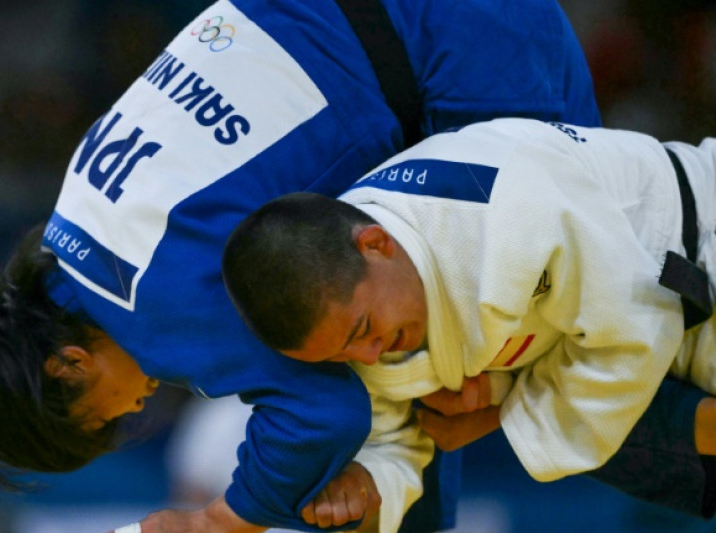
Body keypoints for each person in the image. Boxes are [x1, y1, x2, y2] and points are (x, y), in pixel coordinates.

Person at [0, 0, 703, 531]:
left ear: (67, 363)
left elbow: (325, 414)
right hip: (421, 31)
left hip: (456, 51)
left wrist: (228, 517)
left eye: (109, 414)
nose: (139, 407)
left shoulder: (148, 306)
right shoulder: (76, 216)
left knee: (562, 349)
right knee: (441, 360)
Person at [221, 117, 716, 530]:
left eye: (362, 332)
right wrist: (367, 483)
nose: (370, 356)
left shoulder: (502, 213)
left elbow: (634, 325)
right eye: (341, 356)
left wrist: (500, 409)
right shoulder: (351, 310)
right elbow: (397, 435)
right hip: (629, 340)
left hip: (689, 247)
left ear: (376, 244)